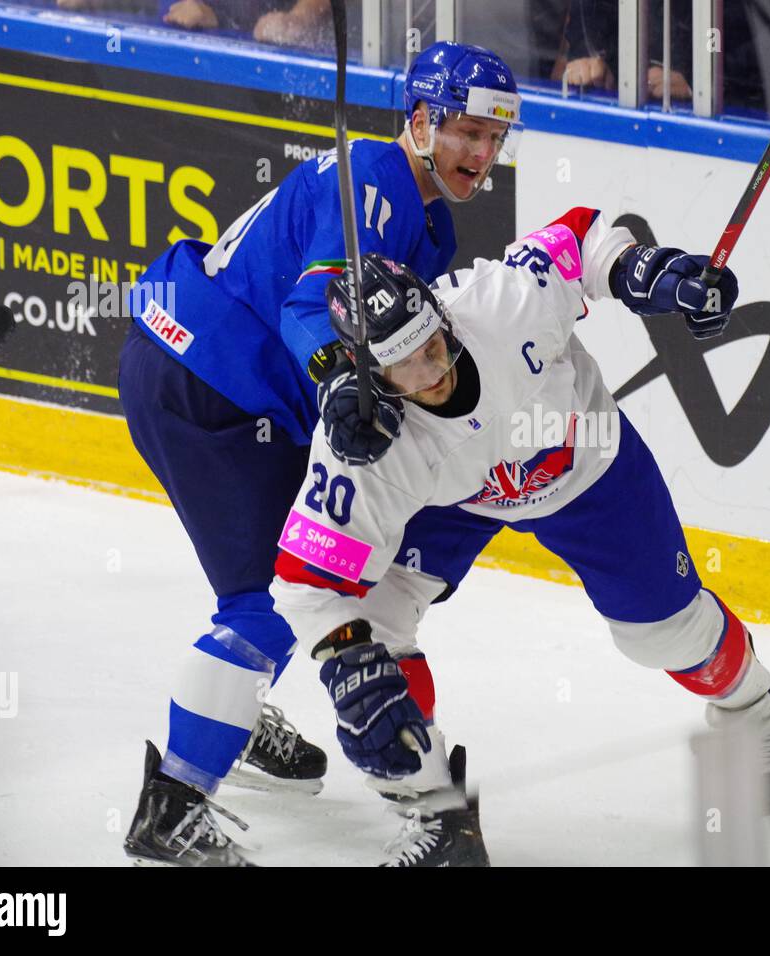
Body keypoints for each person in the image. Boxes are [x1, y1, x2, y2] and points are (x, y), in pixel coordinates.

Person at [269, 210, 770, 867]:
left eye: (432, 345)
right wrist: (349, 668)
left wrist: (646, 272)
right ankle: (436, 818)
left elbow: (580, 240)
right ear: (367, 375)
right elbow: (305, 582)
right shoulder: (365, 441)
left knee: (662, 635)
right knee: (372, 635)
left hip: (582, 467)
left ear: (442, 314)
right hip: (454, 496)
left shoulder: (500, 306)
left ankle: (755, 708)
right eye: (403, 369)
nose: (432, 374)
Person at [119, 42, 523, 866]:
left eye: (494, 139)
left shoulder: (424, 219)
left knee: (307, 579)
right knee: (270, 605)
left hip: (210, 370)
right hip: (212, 378)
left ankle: (234, 707)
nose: (481, 156)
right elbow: (317, 300)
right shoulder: (375, 178)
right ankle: (171, 808)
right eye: (467, 134)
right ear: (421, 121)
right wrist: (340, 377)